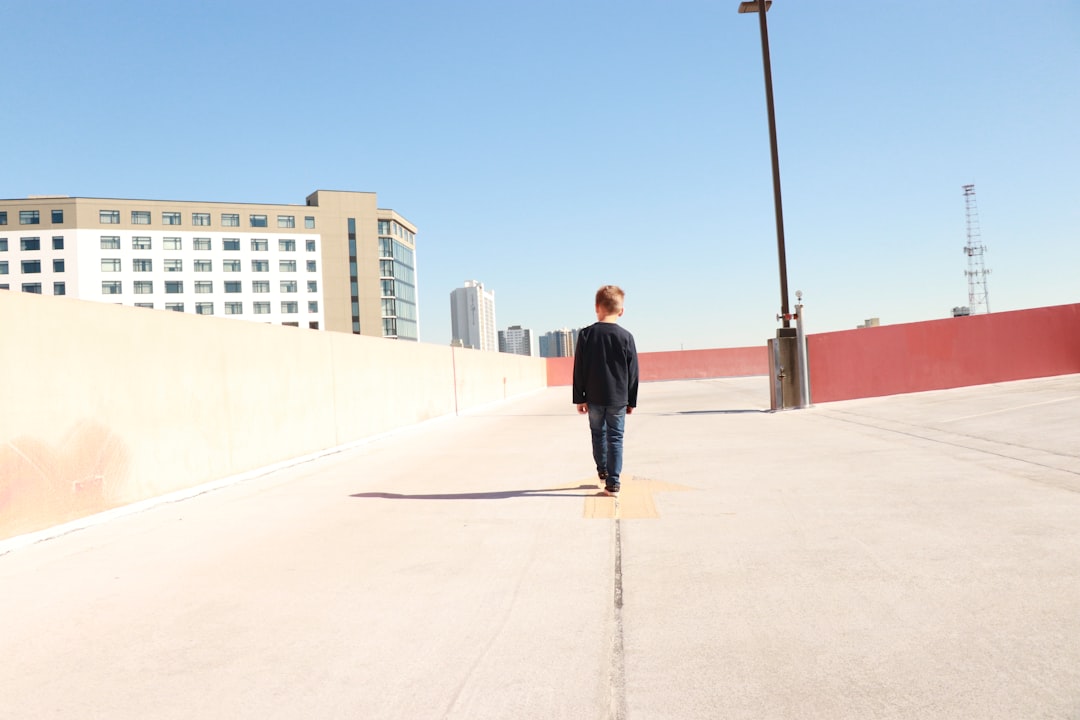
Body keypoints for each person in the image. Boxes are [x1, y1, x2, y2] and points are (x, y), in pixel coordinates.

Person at [572, 285, 639, 495]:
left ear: (596, 307)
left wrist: (579, 398)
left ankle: (602, 470)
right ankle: (614, 481)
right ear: (621, 311)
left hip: (593, 398)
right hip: (618, 398)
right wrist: (631, 400)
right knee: (615, 437)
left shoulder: (585, 335)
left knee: (597, 434)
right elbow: (633, 372)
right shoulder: (626, 337)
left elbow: (579, 369)